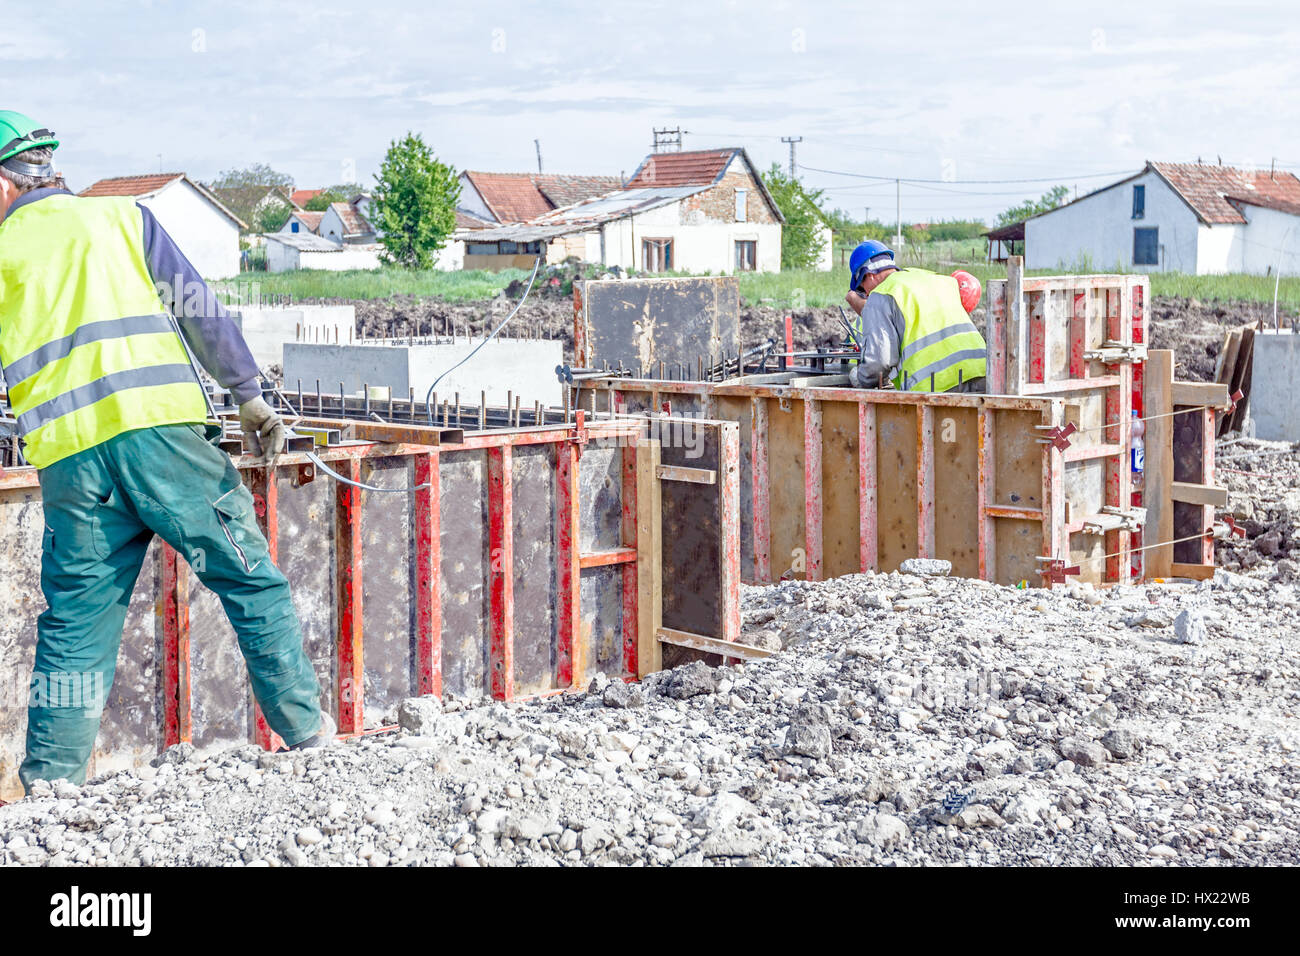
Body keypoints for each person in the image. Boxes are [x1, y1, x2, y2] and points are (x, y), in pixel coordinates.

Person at [0, 111, 332, 791]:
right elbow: (196, 306)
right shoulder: (121, 218)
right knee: (247, 578)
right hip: (165, 441)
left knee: (76, 627)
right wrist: (249, 393)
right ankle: (307, 739)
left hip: (73, 466)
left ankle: (51, 786)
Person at [843, 240, 988, 392]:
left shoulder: (881, 294)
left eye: (862, 287)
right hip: (984, 375)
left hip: (938, 388)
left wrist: (861, 378)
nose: (866, 294)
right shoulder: (934, 279)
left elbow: (879, 362)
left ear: (869, 275)